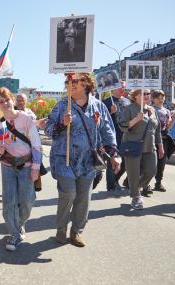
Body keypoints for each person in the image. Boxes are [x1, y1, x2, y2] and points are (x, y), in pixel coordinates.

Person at [44, 73, 119, 247]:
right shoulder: (62, 105)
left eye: (75, 81)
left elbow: (107, 130)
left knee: (84, 197)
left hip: (88, 160)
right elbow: (48, 128)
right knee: (69, 193)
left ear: (86, 83)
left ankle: (76, 231)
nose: (71, 84)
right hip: (65, 158)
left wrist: (114, 154)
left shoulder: (98, 106)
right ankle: (61, 228)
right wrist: (62, 124)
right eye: (68, 81)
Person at [0, 87, 41, 251]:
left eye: (7, 100)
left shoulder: (26, 118)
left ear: (12, 100)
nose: (5, 103)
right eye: (1, 102)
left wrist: (36, 167)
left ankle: (20, 224)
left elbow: (36, 144)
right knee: (8, 201)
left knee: (27, 200)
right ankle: (14, 234)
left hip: (26, 165)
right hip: (8, 165)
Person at [119, 89, 164, 209]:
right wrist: (136, 120)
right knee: (133, 173)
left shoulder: (152, 109)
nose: (147, 96)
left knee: (151, 171)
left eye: (148, 94)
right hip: (133, 146)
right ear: (136, 96)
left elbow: (157, 129)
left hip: (150, 146)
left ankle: (136, 187)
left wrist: (160, 146)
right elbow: (122, 126)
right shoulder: (129, 109)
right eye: (144, 93)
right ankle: (136, 197)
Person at [102, 82, 130, 196]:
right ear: (113, 89)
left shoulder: (127, 101)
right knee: (112, 161)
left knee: (124, 162)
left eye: (124, 87)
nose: (122, 89)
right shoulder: (106, 102)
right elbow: (99, 120)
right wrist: (110, 112)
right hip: (112, 136)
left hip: (126, 136)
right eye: (120, 87)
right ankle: (111, 186)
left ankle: (116, 180)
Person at [152, 90, 175, 192]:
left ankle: (158, 183)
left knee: (161, 162)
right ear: (153, 99)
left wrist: (174, 119)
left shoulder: (167, 111)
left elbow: (168, 126)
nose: (161, 100)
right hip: (153, 138)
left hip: (164, 138)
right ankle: (144, 184)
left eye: (162, 98)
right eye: (158, 98)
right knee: (151, 162)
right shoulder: (151, 109)